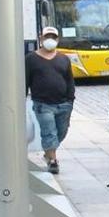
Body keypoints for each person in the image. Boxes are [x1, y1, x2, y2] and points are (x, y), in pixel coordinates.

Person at [25, 26, 75, 174]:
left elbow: (69, 80)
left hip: (64, 104)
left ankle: (48, 153)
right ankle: (53, 161)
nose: (50, 40)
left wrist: (71, 100)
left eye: (53, 37)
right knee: (49, 132)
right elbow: (25, 80)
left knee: (62, 132)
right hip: (43, 104)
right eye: (47, 37)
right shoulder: (31, 58)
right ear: (41, 39)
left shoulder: (63, 59)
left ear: (57, 40)